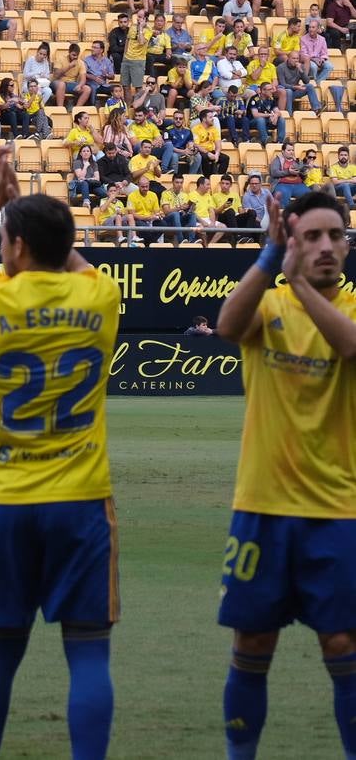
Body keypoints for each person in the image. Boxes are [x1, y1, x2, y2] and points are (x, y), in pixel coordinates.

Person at [0, 146, 120, 760]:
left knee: (1, 650)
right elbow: (70, 259)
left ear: (13, 248)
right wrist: (30, 221)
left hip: (10, 501)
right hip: (81, 500)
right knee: (88, 650)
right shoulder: (101, 298)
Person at [214, 190, 356, 760]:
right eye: (312, 237)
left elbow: (349, 348)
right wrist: (272, 262)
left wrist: (297, 282)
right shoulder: (268, 306)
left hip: (338, 511)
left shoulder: (349, 307)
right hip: (262, 506)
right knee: (252, 642)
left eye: (335, 237)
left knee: (343, 642)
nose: (326, 248)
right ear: (291, 241)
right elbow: (226, 326)